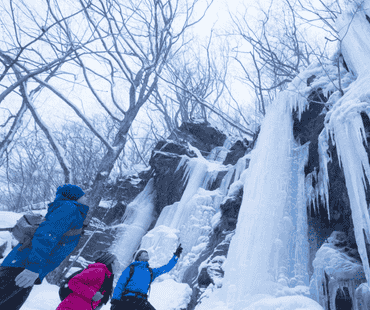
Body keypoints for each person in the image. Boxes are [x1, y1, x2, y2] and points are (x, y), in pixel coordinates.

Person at [0, 184, 89, 310]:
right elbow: (46, 236)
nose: (86, 197)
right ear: (75, 196)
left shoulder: (72, 211)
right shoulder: (68, 208)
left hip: (30, 269)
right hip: (23, 267)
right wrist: (32, 268)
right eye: (83, 195)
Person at [110, 244, 183, 310]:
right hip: (127, 299)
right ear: (138, 257)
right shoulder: (131, 268)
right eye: (143, 252)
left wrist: (176, 256)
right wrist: (115, 299)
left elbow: (166, 268)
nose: (146, 253)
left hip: (142, 301)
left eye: (146, 252)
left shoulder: (151, 272)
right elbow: (120, 284)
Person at [56, 250, 121, 310]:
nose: (118, 264)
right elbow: (73, 282)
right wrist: (92, 294)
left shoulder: (107, 276)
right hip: (71, 307)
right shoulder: (99, 271)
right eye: (116, 261)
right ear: (110, 263)